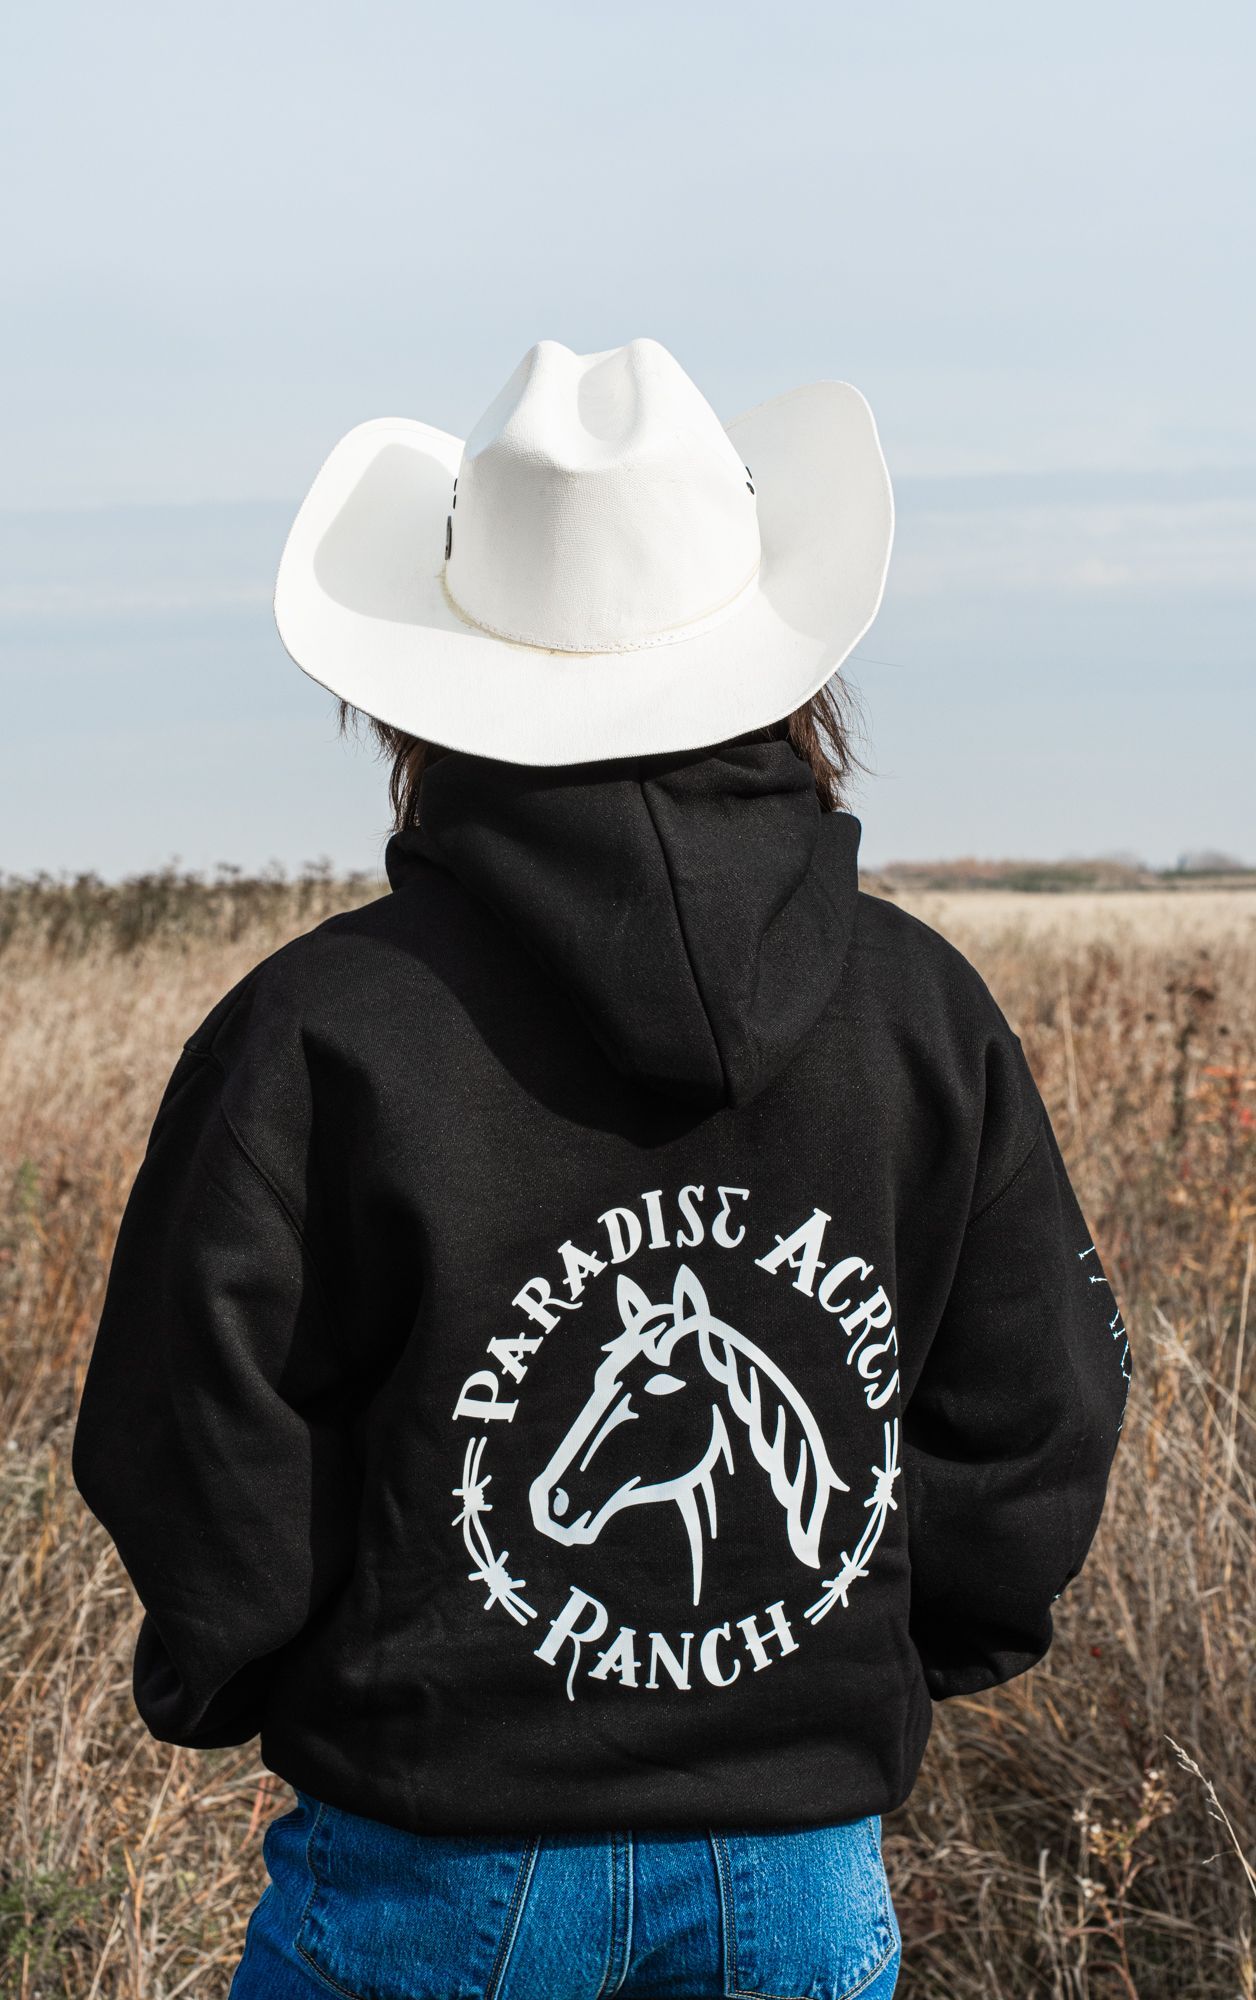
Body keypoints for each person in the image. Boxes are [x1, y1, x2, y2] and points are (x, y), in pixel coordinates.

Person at [71, 338, 1132, 2000]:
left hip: (435, 1851)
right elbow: (1039, 1404)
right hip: (800, 1869)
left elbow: (196, 1430)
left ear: (429, 686)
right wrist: (869, 1663)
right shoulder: (923, 1011)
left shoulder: (320, 1030)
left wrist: (264, 1679)